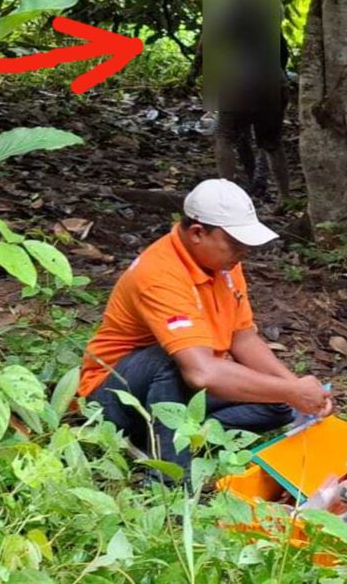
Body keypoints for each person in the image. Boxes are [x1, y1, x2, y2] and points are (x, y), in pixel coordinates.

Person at [79, 179, 332, 474]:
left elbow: (244, 339)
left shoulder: (225, 265)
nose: (243, 253)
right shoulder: (159, 274)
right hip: (112, 398)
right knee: (172, 361)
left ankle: (178, 440)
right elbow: (201, 372)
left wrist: (295, 392)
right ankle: (170, 477)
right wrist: (292, 391)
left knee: (277, 403)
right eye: (235, 244)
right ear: (198, 233)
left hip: (174, 386)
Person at [193, 0, 291, 207]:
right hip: (271, 79)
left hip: (238, 79)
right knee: (273, 144)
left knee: (224, 136)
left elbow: (207, 43)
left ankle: (227, 193)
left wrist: (195, 69)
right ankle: (286, 197)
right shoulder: (272, 5)